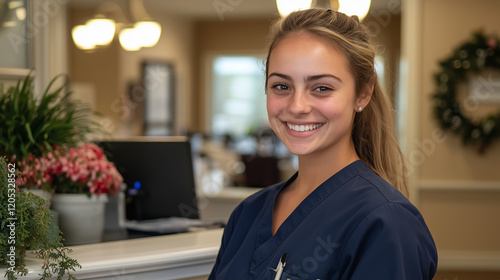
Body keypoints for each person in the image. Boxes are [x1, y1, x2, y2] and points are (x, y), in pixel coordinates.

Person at [208, 8, 437, 280]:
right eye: (282, 86)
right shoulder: (247, 215)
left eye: (322, 88)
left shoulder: (385, 223)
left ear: (363, 94)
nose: (297, 106)